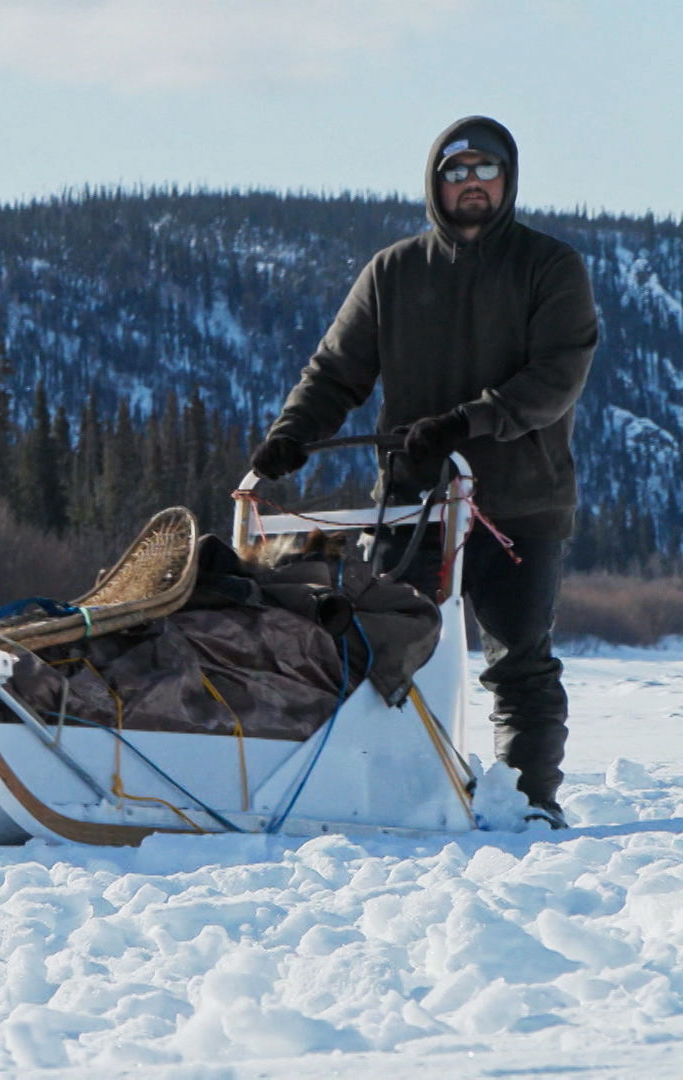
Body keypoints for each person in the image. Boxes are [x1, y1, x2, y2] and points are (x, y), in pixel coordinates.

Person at [248, 115, 597, 827]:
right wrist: (288, 438)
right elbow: (335, 373)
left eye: (486, 170)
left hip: (519, 503)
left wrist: (467, 421)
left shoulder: (549, 266)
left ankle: (529, 805)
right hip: (414, 508)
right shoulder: (394, 271)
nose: (472, 184)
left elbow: (557, 377)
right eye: (456, 171)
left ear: (509, 179)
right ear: (435, 183)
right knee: (385, 657)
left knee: (519, 663)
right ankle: (393, 801)